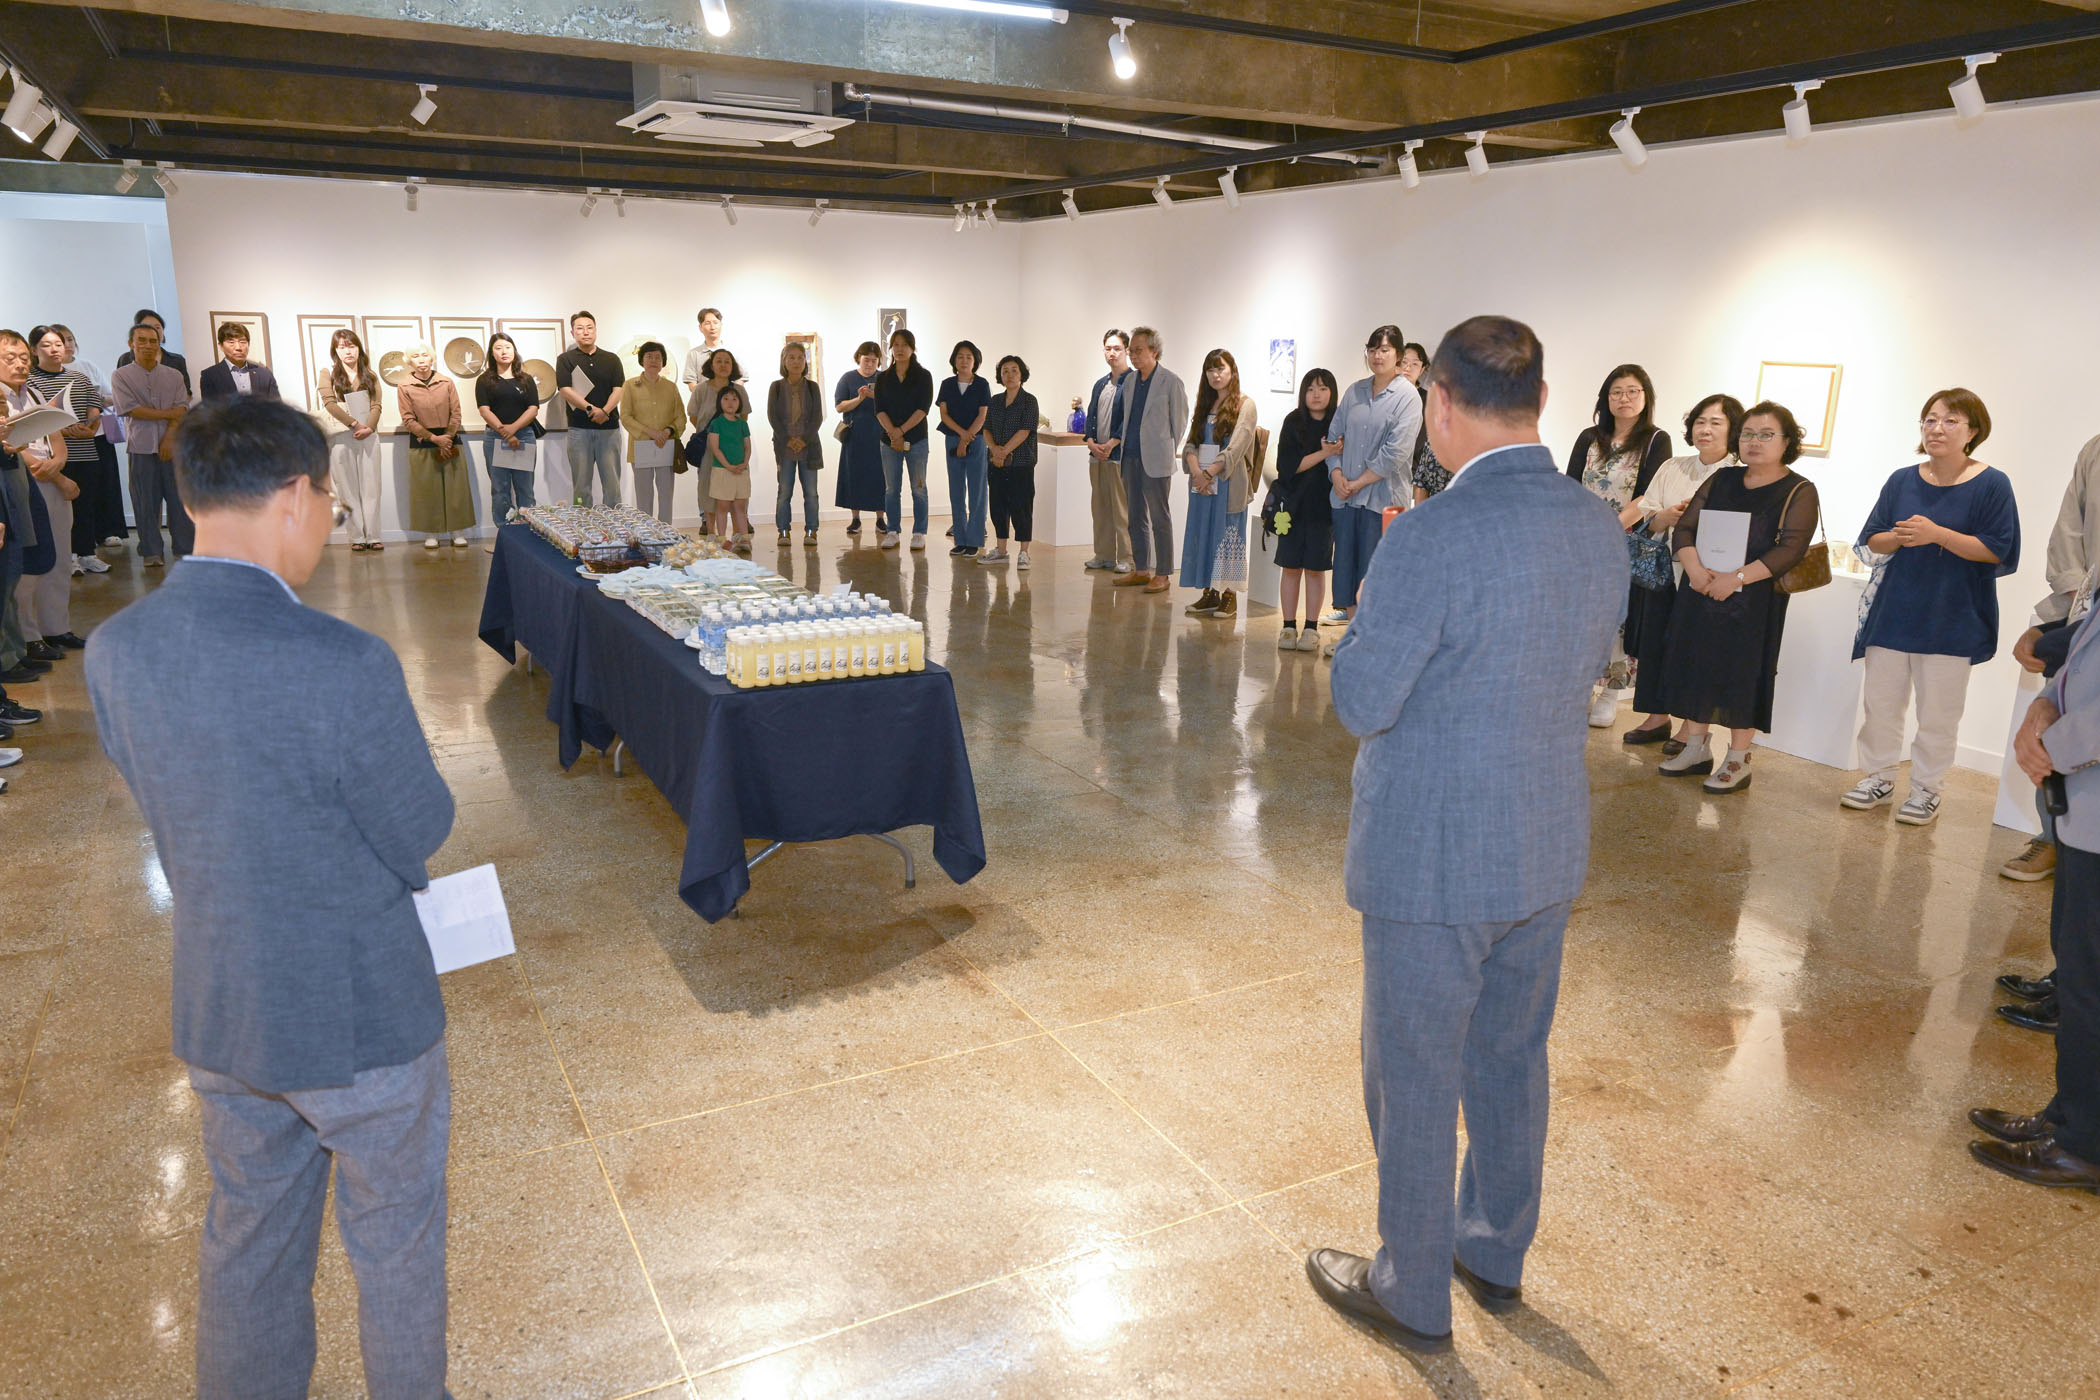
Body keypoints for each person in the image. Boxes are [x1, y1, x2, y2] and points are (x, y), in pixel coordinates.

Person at [84, 397, 458, 1400]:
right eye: (329, 500)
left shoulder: (117, 648)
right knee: (396, 1240)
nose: (328, 521)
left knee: (248, 1238)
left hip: (225, 1005)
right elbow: (420, 823)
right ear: (296, 494)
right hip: (362, 1011)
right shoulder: (343, 660)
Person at [1308, 315, 1628, 1353]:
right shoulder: (1597, 523)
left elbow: (1363, 699)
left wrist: (1363, 624)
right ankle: (1492, 1247)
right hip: (1542, 843)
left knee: (1413, 1072)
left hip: (1431, 858)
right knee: (1510, 1058)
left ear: (1439, 403)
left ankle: (1410, 1286)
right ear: (1543, 399)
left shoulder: (1429, 534)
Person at [1967, 591, 2100, 1193]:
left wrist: (2051, 745)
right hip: (2084, 805)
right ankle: (2067, 1117)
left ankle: (2082, 1146)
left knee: (2090, 986)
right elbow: (2084, 653)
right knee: (2078, 974)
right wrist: (2044, 707)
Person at [1842, 389, 2020, 826]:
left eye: (1951, 420)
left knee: (1939, 713)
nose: (1937, 428)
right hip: (1894, 608)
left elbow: (1997, 549)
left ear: (1973, 431)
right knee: (1881, 704)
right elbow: (1872, 539)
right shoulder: (1902, 479)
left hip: (1954, 614)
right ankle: (1878, 777)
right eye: (1930, 420)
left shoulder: (1992, 483)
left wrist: (1939, 535)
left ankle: (1926, 789)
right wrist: (1901, 537)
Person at [1652, 402, 1822, 793]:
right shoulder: (1723, 478)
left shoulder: (1799, 490)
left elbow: (1791, 549)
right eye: (1747, 434)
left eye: (1766, 435)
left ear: (1787, 442)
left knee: (1743, 674)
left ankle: (1738, 758)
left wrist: (1737, 579)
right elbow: (1686, 528)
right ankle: (1695, 747)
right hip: (1701, 590)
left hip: (1754, 602)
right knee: (1694, 665)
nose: (1754, 441)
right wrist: (1695, 570)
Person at [1620, 394, 1743, 749]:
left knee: (1695, 649)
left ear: (1733, 429)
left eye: (1716, 423)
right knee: (1655, 642)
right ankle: (1656, 716)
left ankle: (1691, 727)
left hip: (1707, 575)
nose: (1705, 429)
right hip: (1662, 570)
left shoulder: (1738, 475)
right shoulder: (1673, 466)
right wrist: (1665, 517)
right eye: (1700, 422)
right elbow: (1649, 514)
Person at [2002, 435, 2100, 881]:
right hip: (2087, 616)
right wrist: (2078, 611)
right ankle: (2053, 836)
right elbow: (2069, 534)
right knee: (2056, 723)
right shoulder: (2095, 451)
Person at [1567, 364, 1675, 726]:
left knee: (1617, 619)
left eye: (1632, 391)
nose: (1624, 398)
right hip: (1583, 541)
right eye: (1616, 392)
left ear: (1645, 397)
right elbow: (1570, 484)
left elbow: (1649, 494)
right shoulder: (1589, 437)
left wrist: (1611, 528)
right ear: (1605, 398)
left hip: (1624, 542)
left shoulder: (1656, 440)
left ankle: (1610, 694)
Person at [1323, 324, 1422, 655]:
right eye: (1373, 349)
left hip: (1383, 502)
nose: (1378, 355)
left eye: (1385, 349)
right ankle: (1353, 639)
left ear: (1398, 355)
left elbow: (1395, 454)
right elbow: (1333, 439)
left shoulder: (1408, 397)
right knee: (1347, 570)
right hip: (1346, 497)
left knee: (1375, 573)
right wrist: (1337, 474)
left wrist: (1357, 482)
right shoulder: (1355, 391)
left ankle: (1373, 644)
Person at [8, 332, 85, 651]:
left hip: (51, 478)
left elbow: (55, 434)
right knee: (29, 564)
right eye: (10, 358)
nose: (20, 364)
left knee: (59, 558)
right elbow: (11, 446)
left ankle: (56, 627)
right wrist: (54, 475)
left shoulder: (33, 392)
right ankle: (30, 636)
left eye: (23, 357)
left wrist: (59, 465)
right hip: (22, 481)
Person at [1178, 348, 1259, 621]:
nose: (1215, 375)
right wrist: (1196, 472)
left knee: (1229, 536)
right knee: (1205, 534)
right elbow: (1191, 443)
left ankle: (1229, 596)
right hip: (1203, 485)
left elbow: (1236, 448)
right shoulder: (1205, 404)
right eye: (1210, 370)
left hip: (1228, 484)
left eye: (1221, 368)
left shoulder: (1246, 405)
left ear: (1232, 371)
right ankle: (1209, 592)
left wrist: (1209, 473)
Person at [1109, 326, 1187, 596]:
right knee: (1134, 516)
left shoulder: (1171, 382)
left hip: (1156, 460)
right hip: (1130, 456)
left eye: (1138, 350)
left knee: (1159, 518)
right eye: (1131, 351)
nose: (1133, 356)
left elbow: (1179, 423)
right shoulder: (1130, 381)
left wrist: (1165, 450)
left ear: (1154, 351)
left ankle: (1163, 573)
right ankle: (1141, 569)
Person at [110, 320, 194, 566]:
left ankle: (185, 548)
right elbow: (131, 409)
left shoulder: (174, 375)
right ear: (131, 344)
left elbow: (182, 408)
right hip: (141, 447)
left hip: (173, 446)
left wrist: (169, 437)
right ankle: (151, 551)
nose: (148, 345)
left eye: (153, 341)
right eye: (142, 341)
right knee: (145, 501)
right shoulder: (120, 375)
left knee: (179, 500)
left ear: (160, 343)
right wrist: (169, 414)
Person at [27, 325, 108, 577]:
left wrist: (90, 425)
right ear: (34, 350)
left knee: (86, 505)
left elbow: (94, 407)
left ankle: (87, 554)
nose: (54, 349)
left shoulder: (80, 378)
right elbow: (33, 422)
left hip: (86, 452)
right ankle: (67, 557)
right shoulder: (30, 381)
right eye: (46, 345)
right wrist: (63, 431)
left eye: (58, 344)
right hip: (53, 458)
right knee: (59, 509)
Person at [1273, 368, 1339, 650]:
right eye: (1311, 389)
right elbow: (1287, 466)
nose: (1316, 394)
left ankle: (1311, 628)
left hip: (1324, 509)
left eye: (1323, 388)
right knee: (1290, 567)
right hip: (1292, 506)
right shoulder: (1293, 421)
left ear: (1332, 393)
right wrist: (1325, 453)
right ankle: (1288, 627)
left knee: (1315, 569)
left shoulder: (1338, 423)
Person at [51, 325, 128, 557]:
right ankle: (78, 544)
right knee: (73, 490)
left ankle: (108, 532)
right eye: (60, 341)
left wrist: (93, 402)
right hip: (64, 439)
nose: (66, 344)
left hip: (96, 434)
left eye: (69, 339)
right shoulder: (44, 375)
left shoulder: (87, 367)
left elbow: (111, 396)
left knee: (104, 485)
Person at [397, 343, 471, 549]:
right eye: (415, 356)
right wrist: (433, 438)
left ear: (432, 358)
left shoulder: (446, 382)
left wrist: (447, 437)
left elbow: (456, 413)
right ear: (409, 361)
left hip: (450, 440)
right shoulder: (404, 386)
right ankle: (431, 533)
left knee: (456, 488)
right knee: (426, 490)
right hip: (422, 442)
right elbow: (408, 419)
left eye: (425, 355)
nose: (421, 359)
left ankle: (457, 531)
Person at [319, 327, 386, 551]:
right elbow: (329, 403)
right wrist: (354, 424)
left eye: (351, 346)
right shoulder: (327, 374)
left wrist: (369, 427)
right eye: (342, 347)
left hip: (369, 435)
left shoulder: (370, 375)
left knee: (372, 487)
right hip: (341, 437)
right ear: (335, 351)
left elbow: (377, 404)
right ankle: (357, 537)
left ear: (359, 348)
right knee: (346, 488)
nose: (347, 351)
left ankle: (373, 536)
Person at [473, 332, 541, 547]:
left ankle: (528, 534)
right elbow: (484, 410)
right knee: (500, 488)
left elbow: (533, 408)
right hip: (495, 437)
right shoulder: (485, 380)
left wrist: (513, 429)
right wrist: (505, 432)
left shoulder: (526, 379)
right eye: (498, 348)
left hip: (524, 436)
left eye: (508, 347)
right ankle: (506, 536)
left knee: (525, 487)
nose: (504, 352)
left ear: (514, 351)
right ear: (492, 353)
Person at [874, 328, 934, 551]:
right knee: (891, 489)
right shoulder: (883, 378)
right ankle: (893, 531)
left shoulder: (923, 376)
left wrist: (900, 431)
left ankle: (919, 532)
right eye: (896, 345)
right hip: (889, 441)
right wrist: (893, 432)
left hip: (916, 439)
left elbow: (923, 409)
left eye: (904, 345)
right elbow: (879, 409)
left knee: (918, 488)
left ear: (912, 348)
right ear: (891, 348)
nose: (899, 349)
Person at [556, 310, 623, 507]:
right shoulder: (565, 359)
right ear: (572, 333)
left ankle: (614, 522)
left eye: (589, 328)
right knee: (581, 486)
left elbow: (619, 389)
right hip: (579, 429)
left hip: (609, 429)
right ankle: (582, 520)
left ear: (595, 330)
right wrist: (590, 409)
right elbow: (565, 390)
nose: (585, 332)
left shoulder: (611, 359)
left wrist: (605, 411)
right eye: (580, 328)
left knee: (612, 485)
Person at [1083, 329, 1135, 574]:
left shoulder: (1133, 382)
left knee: (1121, 510)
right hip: (1097, 456)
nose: (1112, 353)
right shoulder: (1100, 384)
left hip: (1118, 457)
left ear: (1126, 351)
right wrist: (1091, 442)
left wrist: (1113, 443)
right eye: (1108, 348)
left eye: (1117, 348)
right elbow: (1091, 415)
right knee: (1100, 508)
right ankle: (1103, 554)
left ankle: (1127, 557)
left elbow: (1130, 419)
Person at [982, 354, 1038, 569]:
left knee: (1022, 507)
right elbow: (986, 429)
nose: (1010, 375)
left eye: (1014, 370)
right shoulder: (995, 401)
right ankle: (1001, 550)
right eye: (1005, 371)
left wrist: (1003, 451)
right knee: (998, 506)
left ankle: (1024, 552)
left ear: (1022, 374)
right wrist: (994, 450)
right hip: (996, 463)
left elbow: (1025, 430)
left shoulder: (1029, 401)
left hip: (1021, 463)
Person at [621, 340, 684, 527]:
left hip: (665, 446)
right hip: (640, 448)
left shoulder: (671, 387)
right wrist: (650, 432)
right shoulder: (630, 385)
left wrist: (667, 431)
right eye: (649, 357)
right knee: (644, 496)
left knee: (666, 494)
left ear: (663, 362)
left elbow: (681, 417)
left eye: (658, 357)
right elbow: (625, 416)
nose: (654, 360)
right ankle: (646, 533)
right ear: (642, 360)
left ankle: (666, 533)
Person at [937, 340, 991, 558]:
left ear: (975, 361)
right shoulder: (947, 384)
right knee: (956, 490)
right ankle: (960, 539)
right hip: (953, 439)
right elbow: (944, 415)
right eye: (960, 356)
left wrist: (966, 439)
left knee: (978, 490)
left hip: (976, 440)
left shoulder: (982, 384)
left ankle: (975, 540)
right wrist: (961, 436)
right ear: (954, 360)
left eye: (969, 357)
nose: (964, 360)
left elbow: (982, 415)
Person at [768, 340, 824, 546]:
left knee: (811, 493)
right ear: (784, 361)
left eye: (800, 357)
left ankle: (811, 531)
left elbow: (817, 417)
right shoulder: (776, 387)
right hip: (785, 448)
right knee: (784, 492)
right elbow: (773, 417)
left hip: (809, 448)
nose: (796, 361)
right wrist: (788, 440)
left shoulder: (812, 387)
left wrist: (803, 440)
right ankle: (783, 531)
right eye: (791, 357)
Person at [834, 341, 886, 541]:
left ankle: (881, 518)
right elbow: (839, 406)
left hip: (879, 434)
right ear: (858, 359)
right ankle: (855, 518)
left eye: (873, 360)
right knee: (853, 475)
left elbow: (891, 404)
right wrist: (860, 399)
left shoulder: (884, 378)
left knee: (881, 476)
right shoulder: (848, 378)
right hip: (855, 435)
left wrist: (875, 396)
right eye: (866, 360)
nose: (870, 364)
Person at [685, 348, 743, 528]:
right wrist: (714, 435)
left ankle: (738, 533)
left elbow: (743, 418)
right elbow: (693, 416)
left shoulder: (739, 390)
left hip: (733, 448)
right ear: (711, 365)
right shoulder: (701, 390)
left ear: (733, 366)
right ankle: (711, 532)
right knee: (707, 489)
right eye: (719, 361)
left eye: (727, 361)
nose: (723, 365)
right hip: (708, 448)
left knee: (735, 490)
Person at [706, 382, 754, 553]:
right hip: (722, 471)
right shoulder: (716, 423)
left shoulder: (742, 424)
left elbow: (747, 447)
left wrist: (744, 463)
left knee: (740, 507)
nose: (730, 403)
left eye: (734, 399)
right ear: (720, 402)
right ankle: (722, 539)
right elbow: (715, 448)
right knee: (722, 507)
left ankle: (744, 538)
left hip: (741, 471)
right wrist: (728, 466)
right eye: (726, 399)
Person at [198, 323, 282, 402]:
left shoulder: (265, 374)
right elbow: (210, 409)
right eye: (231, 342)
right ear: (221, 346)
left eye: (242, 342)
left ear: (248, 344)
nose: (238, 347)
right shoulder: (210, 376)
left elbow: (277, 408)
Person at [115, 309, 192, 395]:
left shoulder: (177, 360)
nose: (153, 331)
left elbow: (186, 393)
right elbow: (121, 393)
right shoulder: (125, 359)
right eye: (147, 327)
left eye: (157, 327)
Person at [680, 306, 728, 392]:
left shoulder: (732, 352)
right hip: (703, 399)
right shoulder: (693, 354)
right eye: (707, 323)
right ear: (700, 327)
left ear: (721, 325)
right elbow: (692, 384)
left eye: (715, 322)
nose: (712, 327)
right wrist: (706, 395)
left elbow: (740, 381)